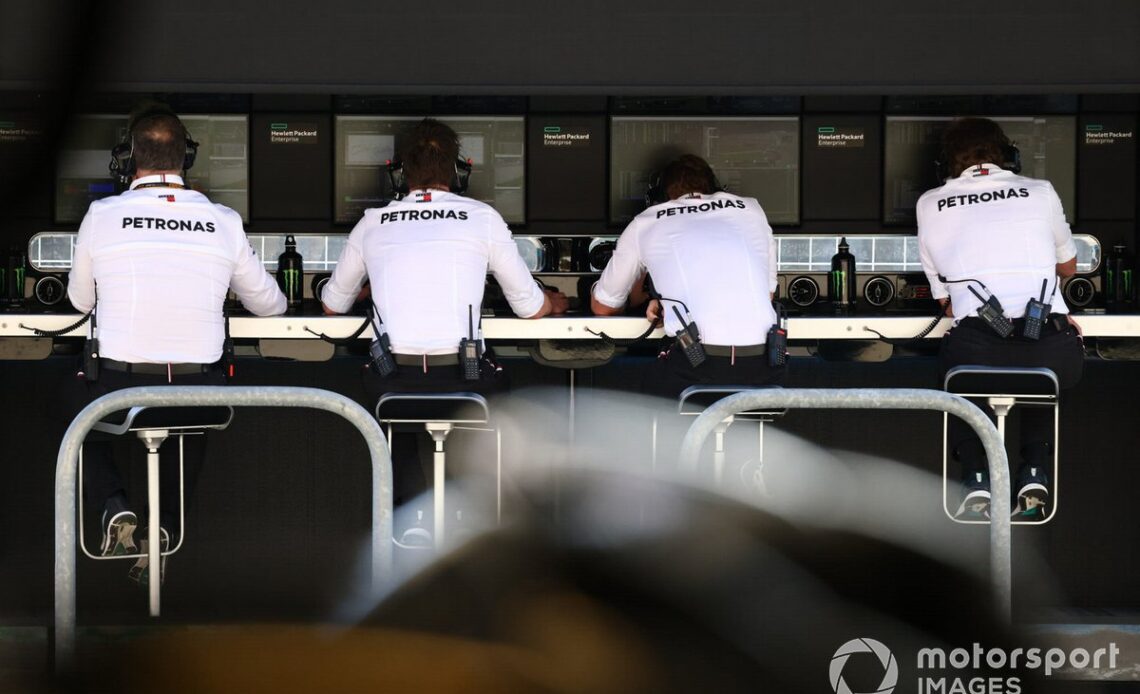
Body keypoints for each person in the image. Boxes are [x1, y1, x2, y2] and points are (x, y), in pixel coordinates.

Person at [66, 104, 286, 584]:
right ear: (186, 158)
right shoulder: (222, 220)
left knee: (70, 406)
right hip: (197, 393)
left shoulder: (101, 215)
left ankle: (112, 505)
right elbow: (271, 308)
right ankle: (164, 527)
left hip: (118, 389)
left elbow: (80, 302)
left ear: (128, 160)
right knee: (188, 429)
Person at [321, 118, 567, 530]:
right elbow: (528, 308)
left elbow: (332, 305)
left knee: (396, 422)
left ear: (399, 172)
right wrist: (552, 303)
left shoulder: (371, 223)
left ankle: (406, 517)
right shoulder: (483, 218)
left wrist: (371, 287)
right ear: (458, 171)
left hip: (392, 383)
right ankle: (475, 518)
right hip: (466, 383)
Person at [917, 117, 1084, 521]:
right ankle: (1034, 470)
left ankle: (976, 476)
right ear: (1009, 156)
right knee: (1041, 374)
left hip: (975, 357)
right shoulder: (1041, 192)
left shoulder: (929, 203)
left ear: (946, 165)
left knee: (964, 375)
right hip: (1052, 352)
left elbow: (950, 306)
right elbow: (1069, 268)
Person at [591, 154, 782, 399]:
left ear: (659, 197)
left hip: (697, 369)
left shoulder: (647, 221)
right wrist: (666, 302)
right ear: (716, 189)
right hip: (765, 371)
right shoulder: (752, 210)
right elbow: (765, 293)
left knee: (638, 395)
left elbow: (603, 305)